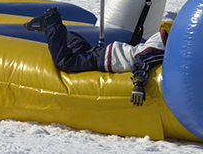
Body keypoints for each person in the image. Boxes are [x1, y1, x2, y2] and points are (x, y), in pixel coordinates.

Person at [23, 7, 168, 106]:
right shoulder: (160, 48)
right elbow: (143, 61)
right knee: (65, 61)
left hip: (110, 54)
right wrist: (139, 84)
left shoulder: (161, 43)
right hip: (107, 59)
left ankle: (68, 36)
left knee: (82, 53)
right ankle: (51, 24)